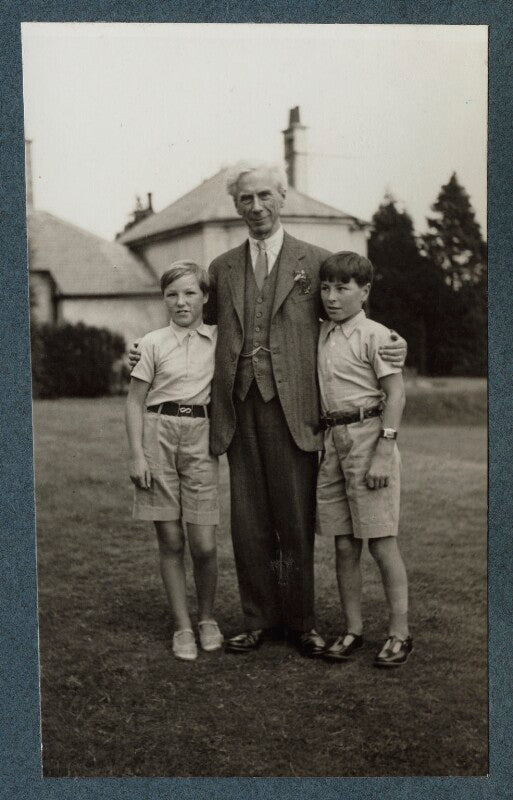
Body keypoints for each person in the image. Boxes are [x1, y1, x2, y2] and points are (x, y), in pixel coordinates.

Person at [130, 161, 406, 658]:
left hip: (296, 410)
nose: (256, 207)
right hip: (237, 409)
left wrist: (394, 343)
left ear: (282, 197)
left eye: (264, 196)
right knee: (249, 521)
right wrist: (142, 349)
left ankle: (301, 623)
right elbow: (196, 325)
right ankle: (258, 619)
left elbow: (348, 316)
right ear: (236, 206)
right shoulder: (221, 268)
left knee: (295, 518)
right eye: (245, 199)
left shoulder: (315, 262)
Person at [316, 251, 412, 667]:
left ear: (365, 291)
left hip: (370, 437)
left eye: (343, 288)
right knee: (343, 544)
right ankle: (352, 629)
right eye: (326, 288)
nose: (332, 297)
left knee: (382, 543)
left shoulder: (377, 336)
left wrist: (384, 451)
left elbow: (396, 394)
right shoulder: (322, 331)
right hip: (332, 441)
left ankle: (400, 633)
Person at [125, 261, 223, 662]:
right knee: (170, 540)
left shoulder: (219, 340)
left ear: (205, 297)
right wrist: (137, 455)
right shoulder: (151, 343)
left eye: (189, 293)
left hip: (201, 437)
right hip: (158, 435)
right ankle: (183, 626)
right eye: (172, 294)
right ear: (163, 299)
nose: (181, 302)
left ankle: (207, 618)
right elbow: (134, 401)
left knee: (204, 544)